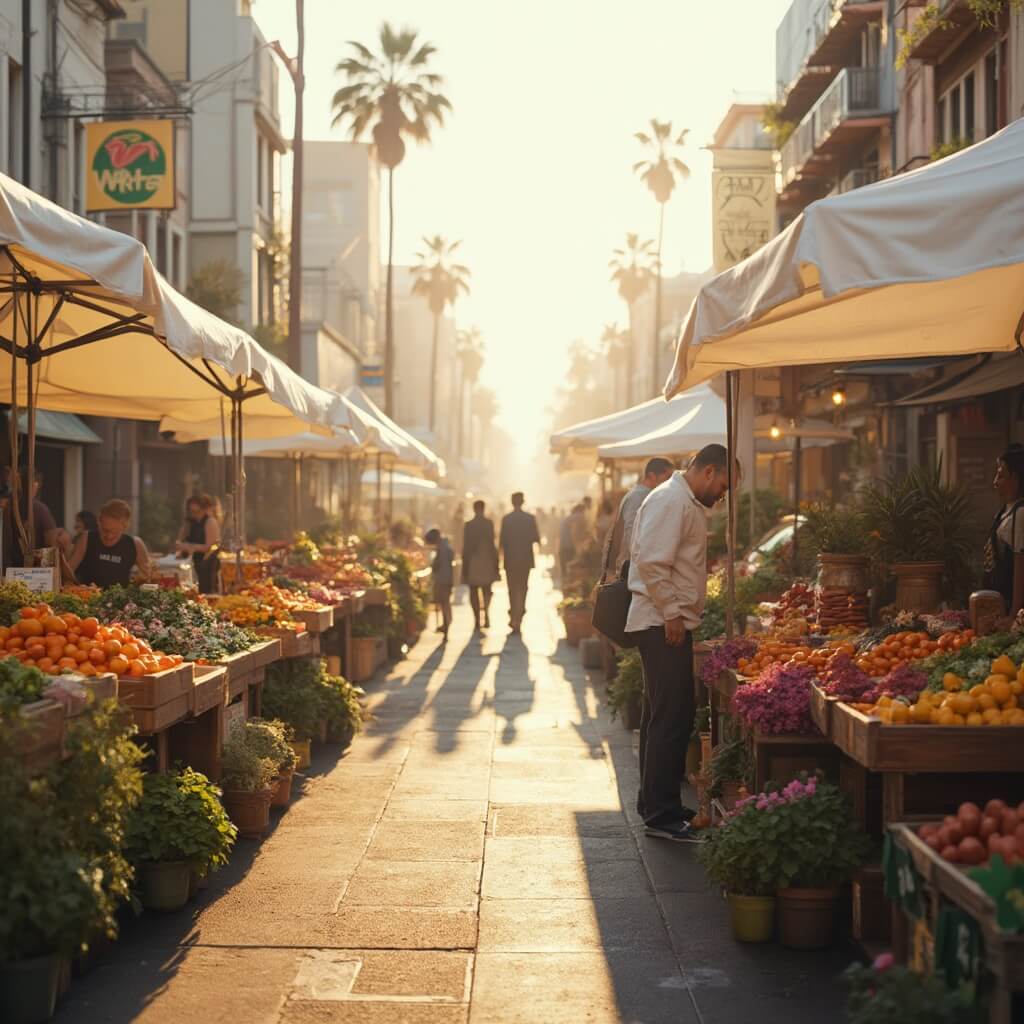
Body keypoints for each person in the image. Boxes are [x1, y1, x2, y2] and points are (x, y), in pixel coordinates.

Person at [625, 444, 732, 842]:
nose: (722, 494)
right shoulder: (673, 500)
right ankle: (662, 814)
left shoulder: (679, 500)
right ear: (708, 471)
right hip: (660, 622)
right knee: (672, 717)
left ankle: (656, 802)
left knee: (662, 716)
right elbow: (652, 561)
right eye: (723, 484)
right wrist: (671, 612)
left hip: (663, 621)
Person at [601, 458, 676, 579]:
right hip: (631, 573)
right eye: (667, 478)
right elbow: (632, 537)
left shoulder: (644, 495)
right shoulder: (639, 496)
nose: (670, 484)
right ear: (652, 476)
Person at [70, 498, 151, 588]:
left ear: (125, 527)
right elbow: (68, 572)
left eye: (115, 532)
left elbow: (147, 578)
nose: (109, 536)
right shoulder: (87, 538)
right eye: (105, 530)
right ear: (99, 522)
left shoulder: (135, 544)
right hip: (88, 598)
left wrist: (141, 580)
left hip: (120, 600)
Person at [984, 443, 1024, 620]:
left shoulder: (1020, 513)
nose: (995, 482)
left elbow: (1020, 567)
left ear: (1015, 478)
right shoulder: (1003, 511)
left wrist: (1013, 616)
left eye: (1000, 476)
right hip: (998, 602)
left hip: (1010, 607)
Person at [500, 492, 540, 633]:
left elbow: (502, 542)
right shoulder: (529, 519)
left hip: (510, 559)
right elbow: (536, 538)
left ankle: (514, 616)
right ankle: (519, 614)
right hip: (525, 559)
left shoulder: (506, 519)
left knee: (512, 588)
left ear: (512, 502)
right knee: (523, 587)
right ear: (523, 502)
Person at [462, 500, 499, 632]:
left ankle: (477, 619)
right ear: (483, 509)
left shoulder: (468, 525)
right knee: (487, 590)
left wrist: (464, 567)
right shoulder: (488, 524)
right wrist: (496, 564)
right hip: (486, 560)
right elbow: (492, 544)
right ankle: (487, 615)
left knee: (473, 591)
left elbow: (465, 547)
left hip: (473, 561)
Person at [176, 494, 222, 594]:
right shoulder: (189, 522)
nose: (194, 514)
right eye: (192, 512)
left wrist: (190, 547)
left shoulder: (210, 522)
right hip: (190, 563)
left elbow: (209, 547)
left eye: (197, 512)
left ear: (205, 509)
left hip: (205, 564)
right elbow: (179, 541)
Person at [424, 527, 455, 641]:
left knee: (444, 604)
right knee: (444, 604)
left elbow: (439, 566)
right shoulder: (444, 547)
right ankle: (445, 625)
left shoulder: (443, 549)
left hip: (443, 580)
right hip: (445, 579)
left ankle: (446, 626)